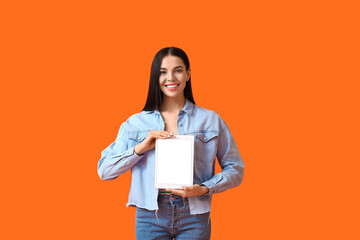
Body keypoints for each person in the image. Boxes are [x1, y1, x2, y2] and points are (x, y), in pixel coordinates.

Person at [97, 46, 245, 240]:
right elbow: (104, 171)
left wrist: (204, 188)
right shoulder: (135, 124)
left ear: (188, 74)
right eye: (163, 72)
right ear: (154, 77)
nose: (171, 78)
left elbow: (236, 169)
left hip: (194, 214)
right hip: (150, 215)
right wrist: (140, 148)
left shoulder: (210, 120)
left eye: (178, 70)